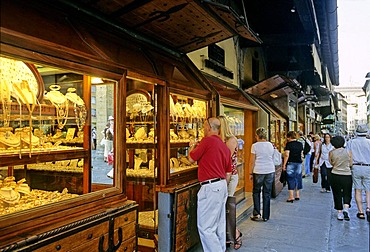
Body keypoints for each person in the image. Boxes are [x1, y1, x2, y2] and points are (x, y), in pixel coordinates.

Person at [188, 117, 232, 252]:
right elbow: (229, 172)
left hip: (210, 187)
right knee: (219, 224)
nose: (203, 128)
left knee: (206, 227)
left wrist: (191, 147)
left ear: (209, 127)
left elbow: (190, 159)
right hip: (222, 185)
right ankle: (221, 248)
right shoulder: (224, 146)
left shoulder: (206, 141)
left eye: (204, 126)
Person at [217, 115, 242, 250]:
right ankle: (227, 235)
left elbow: (225, 160)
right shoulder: (220, 140)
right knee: (223, 209)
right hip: (222, 177)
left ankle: (235, 234)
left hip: (229, 177)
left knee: (228, 208)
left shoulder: (231, 140)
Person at [249, 127, 275, 221]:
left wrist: (250, 173)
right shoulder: (270, 145)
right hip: (270, 170)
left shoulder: (255, 146)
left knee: (256, 192)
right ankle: (266, 216)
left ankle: (256, 213)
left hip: (258, 170)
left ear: (257, 136)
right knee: (267, 193)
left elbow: (252, 161)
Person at [346, 124, 370, 221]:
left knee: (357, 190)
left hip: (356, 167)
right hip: (368, 166)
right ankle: (368, 208)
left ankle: (360, 212)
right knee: (368, 190)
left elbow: (348, 155)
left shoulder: (351, 142)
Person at [329, 136, 353, 221]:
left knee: (337, 193)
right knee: (347, 192)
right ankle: (346, 208)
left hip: (335, 174)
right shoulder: (348, 152)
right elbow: (350, 164)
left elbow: (331, 163)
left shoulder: (331, 152)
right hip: (347, 174)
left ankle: (339, 213)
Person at [282, 131, 303, 202]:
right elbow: (302, 154)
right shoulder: (300, 144)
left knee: (290, 178)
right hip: (299, 163)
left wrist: (284, 164)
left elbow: (287, 155)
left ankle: (291, 196)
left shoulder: (289, 144)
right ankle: (297, 195)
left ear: (289, 137)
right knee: (298, 178)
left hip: (291, 163)